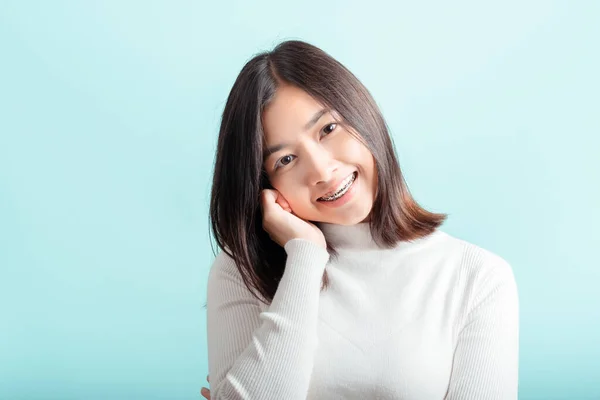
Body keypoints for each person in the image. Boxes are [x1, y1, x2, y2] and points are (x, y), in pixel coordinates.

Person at [202, 40, 519, 399]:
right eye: (286, 160)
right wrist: (305, 256)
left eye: (327, 129)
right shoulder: (239, 272)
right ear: (266, 185)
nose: (321, 170)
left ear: (360, 114)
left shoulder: (477, 278)